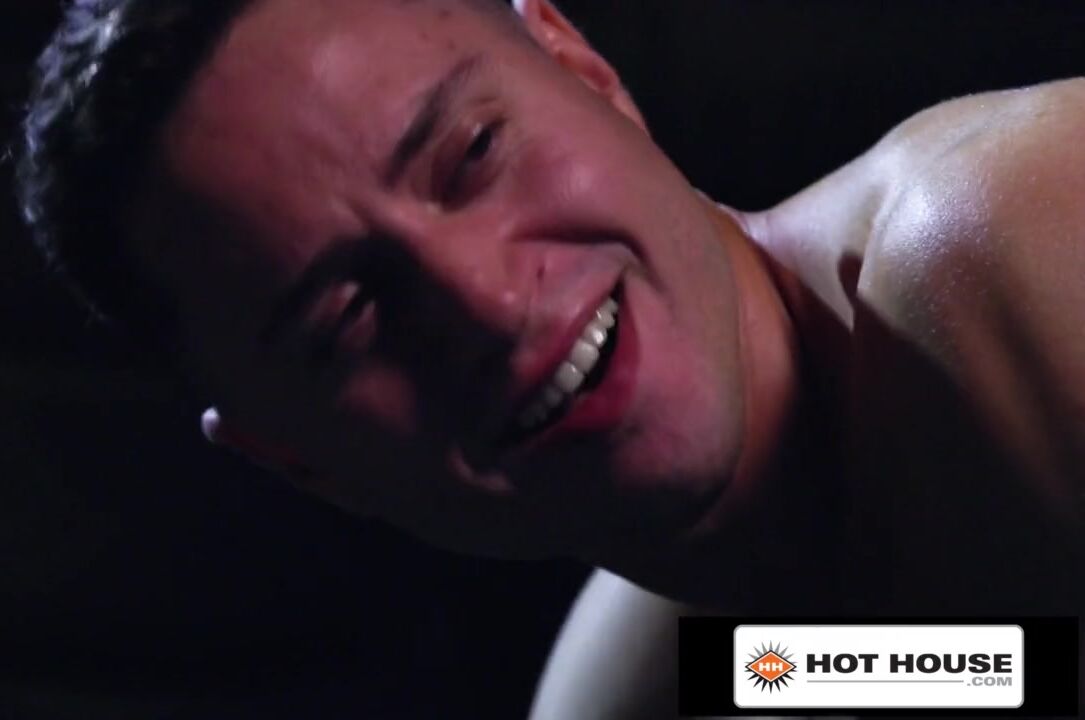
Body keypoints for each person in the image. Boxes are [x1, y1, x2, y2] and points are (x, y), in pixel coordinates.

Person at [17, 0, 1084, 716]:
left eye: (473, 153)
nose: (486, 304)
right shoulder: (688, 681)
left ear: (582, 67)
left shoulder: (1007, 240)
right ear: (298, 463)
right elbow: (1009, 674)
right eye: (342, 317)